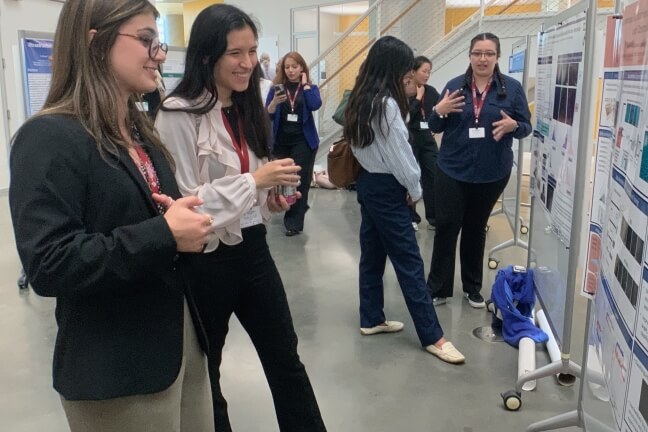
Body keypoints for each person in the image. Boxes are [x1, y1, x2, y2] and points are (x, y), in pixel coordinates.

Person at [9, 1, 215, 431]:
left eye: (157, 42)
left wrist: (186, 225)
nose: (158, 55)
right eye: (145, 40)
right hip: (118, 371)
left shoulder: (139, 131)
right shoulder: (48, 138)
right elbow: (49, 263)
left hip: (179, 347)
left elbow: (162, 219)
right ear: (96, 42)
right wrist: (163, 234)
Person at [154, 5, 327, 432]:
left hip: (253, 250)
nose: (247, 62)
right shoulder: (177, 113)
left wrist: (268, 202)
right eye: (235, 52)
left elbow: (247, 196)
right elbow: (186, 203)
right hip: (203, 261)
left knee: (285, 358)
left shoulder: (249, 107)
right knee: (205, 371)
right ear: (208, 55)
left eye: (252, 51)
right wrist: (254, 182)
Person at [343, 35, 465, 365]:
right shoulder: (385, 105)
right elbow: (401, 157)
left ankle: (371, 317)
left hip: (369, 184)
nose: (409, 74)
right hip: (387, 188)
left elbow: (363, 147)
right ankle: (433, 336)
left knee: (372, 254)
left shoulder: (361, 98)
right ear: (393, 68)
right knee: (410, 263)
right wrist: (416, 188)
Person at [426, 32, 531, 308]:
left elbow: (525, 126)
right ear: (470, 56)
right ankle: (438, 288)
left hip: (491, 172)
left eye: (489, 53)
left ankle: (472, 287)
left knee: (475, 228)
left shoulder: (512, 89)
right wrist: (439, 109)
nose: (482, 59)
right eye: (477, 53)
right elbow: (433, 127)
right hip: (452, 169)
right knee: (447, 227)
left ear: (497, 57)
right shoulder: (453, 87)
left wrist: (514, 127)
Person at [266, 52, 322, 236]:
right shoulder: (276, 88)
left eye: (295, 66)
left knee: (300, 181)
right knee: (282, 180)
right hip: (281, 141)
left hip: (303, 141)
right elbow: (268, 114)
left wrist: (305, 85)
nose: (290, 71)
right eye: (287, 67)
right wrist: (274, 102)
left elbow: (315, 105)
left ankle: (294, 222)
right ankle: (289, 206)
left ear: (302, 68)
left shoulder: (309, 88)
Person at [404, 56, 440, 231]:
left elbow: (440, 111)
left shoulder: (432, 91)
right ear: (413, 71)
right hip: (410, 138)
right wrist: (417, 99)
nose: (427, 75)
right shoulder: (406, 90)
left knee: (433, 175)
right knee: (411, 176)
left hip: (427, 138)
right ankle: (411, 218)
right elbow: (405, 117)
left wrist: (436, 125)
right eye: (424, 71)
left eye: (429, 72)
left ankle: (434, 217)